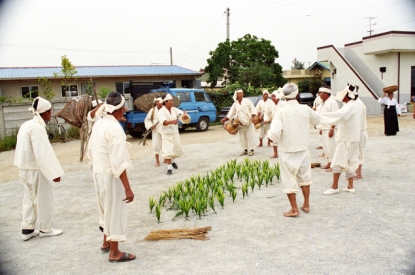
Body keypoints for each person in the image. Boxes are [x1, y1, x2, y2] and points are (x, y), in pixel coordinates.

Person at [87, 91, 136, 262]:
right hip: (110, 175)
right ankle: (114, 252)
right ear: (121, 108)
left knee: (105, 208)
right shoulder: (114, 129)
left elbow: (91, 150)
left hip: (98, 172)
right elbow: (118, 162)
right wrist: (128, 189)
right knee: (114, 210)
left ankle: (106, 242)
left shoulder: (99, 124)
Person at [14, 96, 65, 241]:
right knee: (43, 198)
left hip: (24, 167)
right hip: (36, 169)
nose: (51, 113)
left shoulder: (27, 125)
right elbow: (42, 154)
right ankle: (46, 228)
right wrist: (53, 173)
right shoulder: (37, 128)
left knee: (29, 198)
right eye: (50, 111)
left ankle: (27, 228)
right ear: (45, 112)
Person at [268, 83, 320, 217]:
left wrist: (271, 138)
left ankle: (295, 209)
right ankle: (306, 205)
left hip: (287, 151)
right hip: (303, 149)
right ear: (297, 95)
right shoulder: (305, 109)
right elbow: (317, 119)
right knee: (305, 176)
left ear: (284, 96)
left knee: (288, 178)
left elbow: (274, 133)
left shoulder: (282, 111)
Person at [320, 85, 362, 195]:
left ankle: (334, 187)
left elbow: (339, 115)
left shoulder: (349, 106)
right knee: (350, 161)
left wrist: (321, 116)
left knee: (337, 161)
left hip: (346, 138)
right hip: (353, 137)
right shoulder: (357, 104)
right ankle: (350, 186)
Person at [158, 93, 190, 175]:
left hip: (174, 133)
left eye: (172, 101)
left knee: (175, 149)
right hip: (166, 134)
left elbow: (181, 116)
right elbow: (163, 122)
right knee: (168, 151)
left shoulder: (175, 110)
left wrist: (185, 115)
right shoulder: (161, 111)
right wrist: (172, 121)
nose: (172, 102)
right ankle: (169, 168)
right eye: (170, 101)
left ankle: (172, 161)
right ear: (165, 102)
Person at [221, 89, 257, 156]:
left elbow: (253, 108)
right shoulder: (235, 104)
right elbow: (231, 112)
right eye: (239, 94)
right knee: (242, 136)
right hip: (240, 123)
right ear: (236, 95)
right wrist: (225, 119)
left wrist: (253, 116)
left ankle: (251, 150)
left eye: (241, 93)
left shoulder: (247, 101)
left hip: (248, 121)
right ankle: (245, 149)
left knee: (250, 135)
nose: (241, 95)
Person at [316, 87, 339, 171]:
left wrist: (332, 129)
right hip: (324, 127)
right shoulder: (323, 103)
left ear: (326, 93)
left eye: (321, 92)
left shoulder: (332, 102)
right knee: (326, 147)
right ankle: (329, 162)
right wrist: (321, 127)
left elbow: (335, 116)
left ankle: (334, 165)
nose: (319, 94)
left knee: (331, 146)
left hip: (330, 128)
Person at [265, 88, 286, 158]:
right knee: (274, 138)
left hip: (283, 123)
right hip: (274, 123)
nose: (273, 98)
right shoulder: (269, 104)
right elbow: (266, 113)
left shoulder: (283, 103)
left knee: (284, 138)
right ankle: (275, 153)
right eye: (272, 96)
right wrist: (266, 119)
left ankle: (285, 153)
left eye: (274, 96)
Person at [352, 86, 368, 179]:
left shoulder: (358, 104)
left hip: (360, 132)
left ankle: (359, 174)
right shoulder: (356, 103)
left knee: (359, 153)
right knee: (355, 152)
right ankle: (356, 172)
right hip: (358, 131)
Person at [144, 97, 163, 167]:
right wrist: (151, 125)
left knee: (166, 145)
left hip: (164, 130)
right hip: (156, 130)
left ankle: (167, 158)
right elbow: (147, 120)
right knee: (156, 146)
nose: (157, 103)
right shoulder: (152, 110)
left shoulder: (165, 109)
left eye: (159, 101)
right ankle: (157, 161)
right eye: (156, 102)